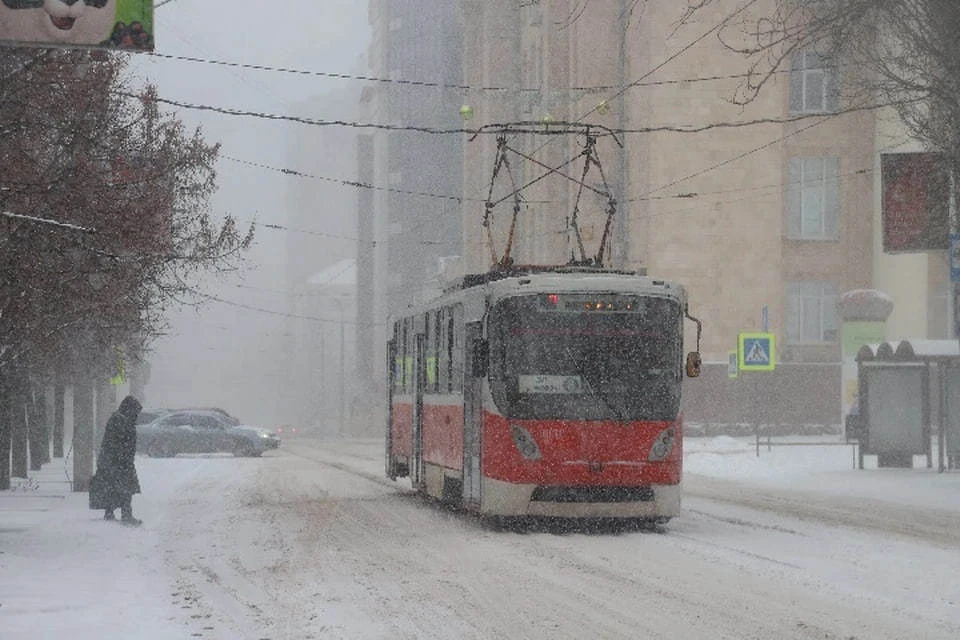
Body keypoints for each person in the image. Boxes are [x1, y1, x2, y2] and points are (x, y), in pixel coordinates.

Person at [95, 395, 143, 525]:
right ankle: (126, 515)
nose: (136, 416)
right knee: (126, 488)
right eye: (136, 412)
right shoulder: (121, 421)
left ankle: (110, 512)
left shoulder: (118, 419)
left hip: (116, 460)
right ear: (129, 409)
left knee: (114, 487)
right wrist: (123, 458)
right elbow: (120, 442)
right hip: (120, 461)